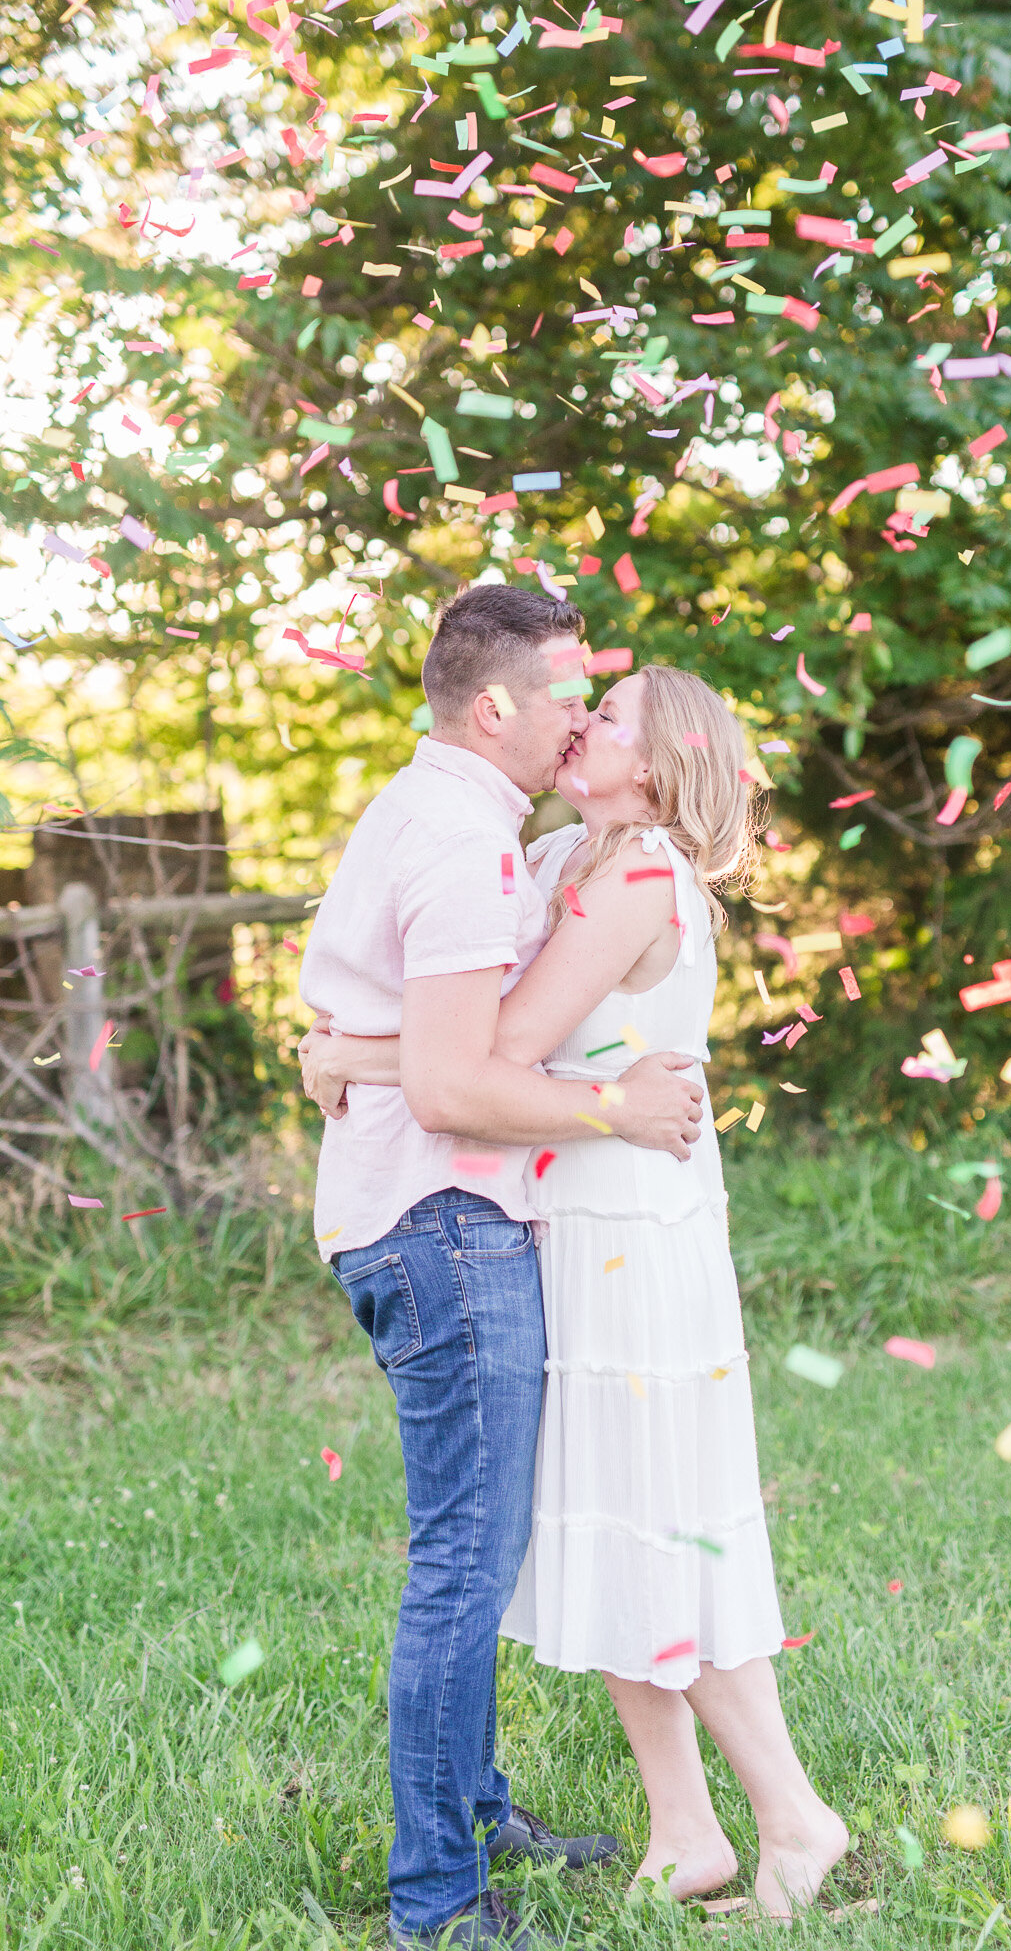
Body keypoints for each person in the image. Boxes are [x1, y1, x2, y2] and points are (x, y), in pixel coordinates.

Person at [301, 659, 848, 1923]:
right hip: (567, 1215)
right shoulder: (559, 859)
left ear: (651, 769)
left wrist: (354, 1056)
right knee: (604, 1525)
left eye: (608, 717)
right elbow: (461, 1002)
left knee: (655, 1520)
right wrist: (362, 1034)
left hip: (632, 1233)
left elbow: (502, 1045)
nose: (581, 721)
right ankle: (686, 1829)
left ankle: (795, 1814)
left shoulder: (645, 872)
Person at [297, 583, 707, 1951]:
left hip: (415, 1214)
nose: (584, 713)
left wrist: (349, 1058)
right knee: (464, 1567)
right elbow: (463, 1086)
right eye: (569, 691)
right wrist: (615, 1112)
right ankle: (437, 1901)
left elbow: (400, 1046)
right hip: (442, 1221)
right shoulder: (467, 845)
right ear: (496, 707)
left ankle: (475, 1812)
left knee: (478, 1546)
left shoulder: (440, 817)